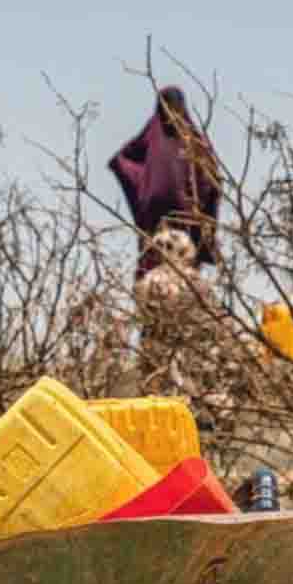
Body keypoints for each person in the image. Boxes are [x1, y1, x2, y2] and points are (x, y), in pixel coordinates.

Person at [109, 87, 222, 391]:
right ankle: (157, 386)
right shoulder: (178, 140)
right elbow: (122, 162)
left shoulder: (193, 143)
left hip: (181, 245)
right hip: (163, 242)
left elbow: (212, 179)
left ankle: (184, 389)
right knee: (158, 321)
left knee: (189, 325)